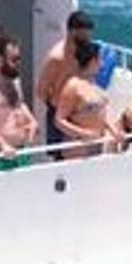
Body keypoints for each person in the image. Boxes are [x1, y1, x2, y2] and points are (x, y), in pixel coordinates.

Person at [37, 10, 95, 158]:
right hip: (60, 112)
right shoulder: (56, 57)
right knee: (59, 154)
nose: (87, 40)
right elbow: (41, 90)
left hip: (81, 111)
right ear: (72, 31)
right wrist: (58, 106)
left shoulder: (85, 52)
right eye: (84, 36)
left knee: (83, 151)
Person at [0, 34, 39, 169]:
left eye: (19, 59)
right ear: (0, 60)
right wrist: (3, 144)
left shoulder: (14, 80)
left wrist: (32, 121)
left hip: (21, 150)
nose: (18, 63)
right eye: (14, 59)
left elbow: (19, 104)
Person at [55, 39, 122, 157]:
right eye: (100, 59)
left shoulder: (93, 83)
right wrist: (83, 134)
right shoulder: (73, 86)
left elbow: (99, 114)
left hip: (97, 146)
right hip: (79, 149)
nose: (102, 64)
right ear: (92, 61)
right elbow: (59, 120)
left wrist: (112, 129)